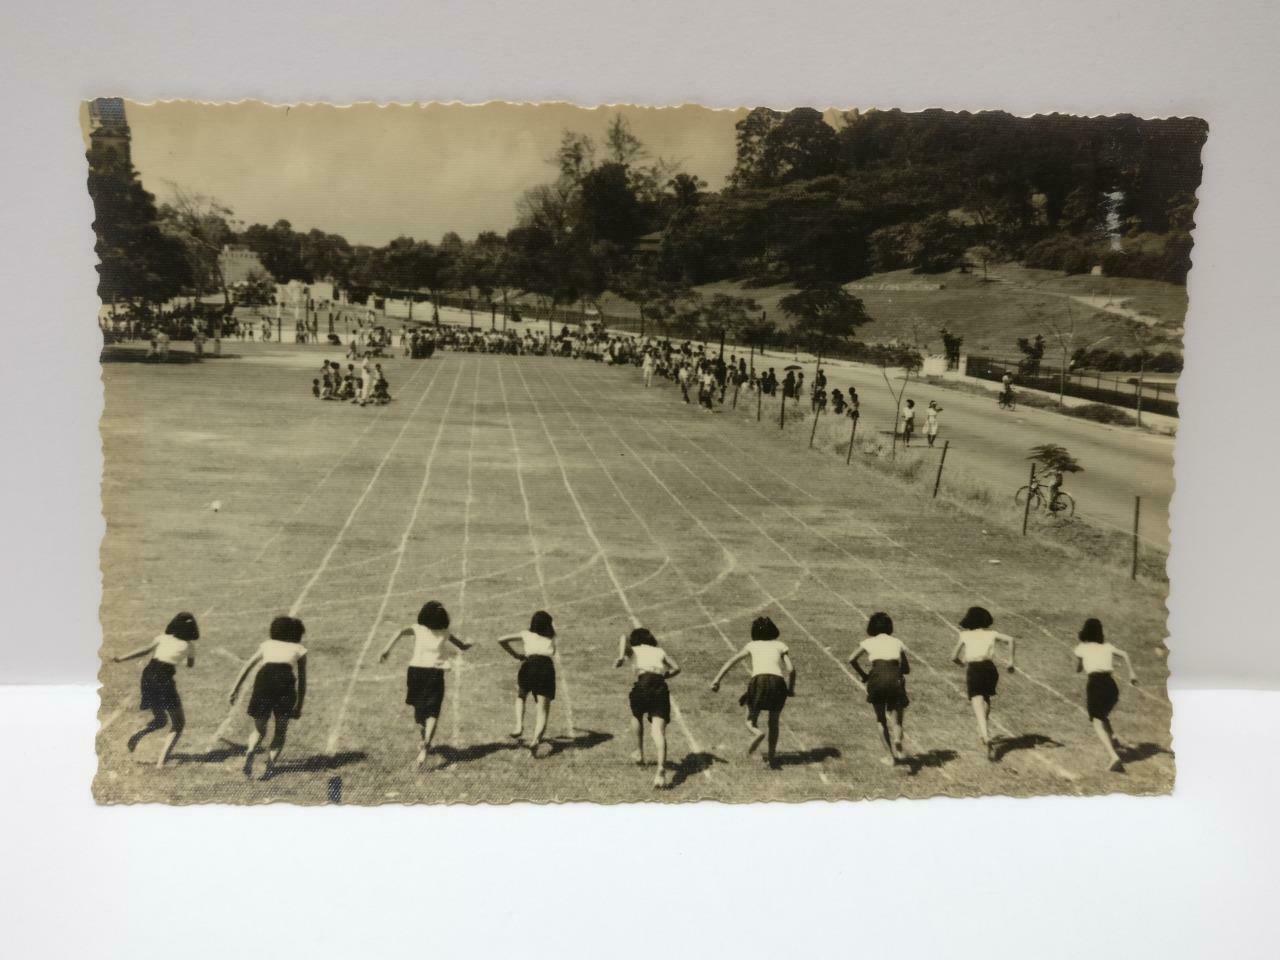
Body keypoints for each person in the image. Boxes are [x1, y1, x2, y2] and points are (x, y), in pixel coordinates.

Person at [378, 600, 474, 767]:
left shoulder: (418, 629)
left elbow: (400, 631)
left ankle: (424, 739)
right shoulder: (445, 633)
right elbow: (461, 646)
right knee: (433, 710)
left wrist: (387, 650)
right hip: (435, 673)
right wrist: (469, 644)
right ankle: (426, 743)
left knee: (419, 710)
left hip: (415, 672)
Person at [112, 612, 199, 768]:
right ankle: (160, 763)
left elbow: (144, 650)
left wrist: (122, 658)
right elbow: (190, 664)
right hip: (164, 678)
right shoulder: (189, 646)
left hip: (148, 674)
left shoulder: (162, 638)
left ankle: (137, 734)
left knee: (160, 720)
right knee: (178, 723)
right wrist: (180, 658)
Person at [228, 615, 308, 781]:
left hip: (264, 680)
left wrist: (235, 689)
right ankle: (270, 766)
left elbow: (248, 666)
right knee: (280, 730)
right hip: (285, 683)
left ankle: (250, 750)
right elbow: (302, 681)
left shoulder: (267, 645)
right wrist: (299, 705)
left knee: (259, 729)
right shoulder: (299, 650)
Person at [710, 616, 795, 769]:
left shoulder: (752, 645)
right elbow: (791, 669)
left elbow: (732, 661)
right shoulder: (780, 645)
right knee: (774, 722)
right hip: (778, 683)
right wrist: (790, 689)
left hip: (759, 681)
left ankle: (757, 733)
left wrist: (717, 680)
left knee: (750, 720)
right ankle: (772, 758)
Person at [614, 627, 681, 789]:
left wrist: (621, 656)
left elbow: (623, 636)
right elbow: (676, 668)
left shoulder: (635, 650)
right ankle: (660, 770)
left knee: (637, 715)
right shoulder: (659, 651)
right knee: (658, 731)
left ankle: (639, 752)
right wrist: (665, 675)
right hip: (660, 686)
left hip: (643, 683)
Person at [949, 606, 1017, 761]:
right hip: (990, 669)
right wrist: (1011, 662)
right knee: (986, 699)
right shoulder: (992, 633)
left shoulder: (965, 634)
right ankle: (982, 732)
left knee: (977, 703)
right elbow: (1011, 640)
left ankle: (985, 736)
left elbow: (953, 656)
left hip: (974, 669)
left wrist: (962, 664)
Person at [1072, 618, 1139, 772]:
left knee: (1096, 721)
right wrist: (1132, 674)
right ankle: (1113, 737)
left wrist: (1080, 664)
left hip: (1096, 684)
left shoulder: (1081, 647)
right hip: (1111, 686)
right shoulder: (1107, 646)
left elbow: (1078, 668)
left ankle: (1113, 756)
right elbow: (1124, 654)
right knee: (1102, 716)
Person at [849, 612, 910, 767]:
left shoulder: (868, 642)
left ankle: (890, 757)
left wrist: (863, 675)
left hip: (876, 677)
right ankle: (897, 740)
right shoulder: (897, 642)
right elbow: (906, 668)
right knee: (898, 720)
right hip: (895, 676)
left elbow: (851, 659)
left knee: (881, 719)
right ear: (890, 627)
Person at [498, 610, 558, 756]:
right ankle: (536, 740)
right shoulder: (551, 637)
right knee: (542, 710)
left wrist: (515, 654)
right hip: (545, 668)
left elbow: (501, 639)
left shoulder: (526, 634)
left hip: (529, 665)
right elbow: (552, 650)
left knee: (521, 696)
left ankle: (519, 725)